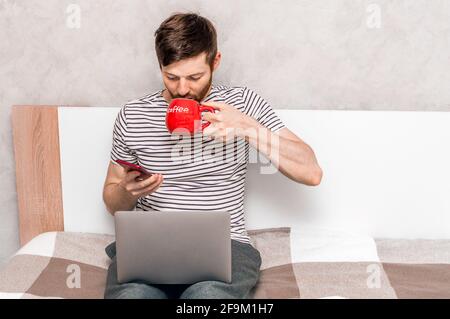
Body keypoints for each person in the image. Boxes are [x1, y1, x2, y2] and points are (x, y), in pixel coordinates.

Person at [102, 12, 323, 299]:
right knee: (132, 296)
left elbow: (312, 172)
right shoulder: (132, 116)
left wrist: (248, 128)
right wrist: (127, 192)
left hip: (227, 246)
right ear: (160, 67)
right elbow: (111, 200)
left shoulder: (242, 103)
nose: (182, 89)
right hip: (151, 245)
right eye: (172, 77)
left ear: (215, 62)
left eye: (195, 77)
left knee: (207, 296)